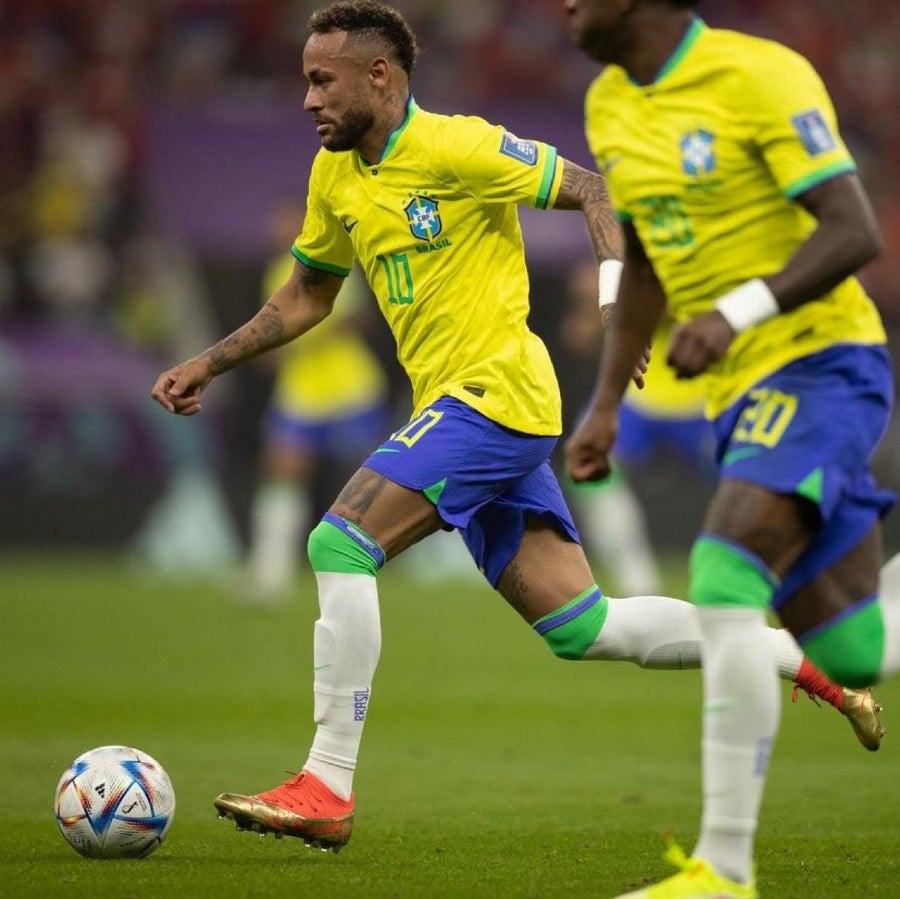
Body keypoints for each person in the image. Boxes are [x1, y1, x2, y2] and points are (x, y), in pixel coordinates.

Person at [151, 0, 883, 857]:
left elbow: (594, 188)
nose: (308, 98)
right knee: (585, 627)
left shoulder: (459, 145)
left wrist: (617, 308)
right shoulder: (335, 176)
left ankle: (326, 782)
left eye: (322, 80)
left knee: (339, 543)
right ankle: (804, 660)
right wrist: (211, 359)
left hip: (495, 395)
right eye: (305, 80)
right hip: (456, 408)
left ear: (379, 77)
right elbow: (310, 292)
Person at [565, 2, 900, 896]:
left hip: (824, 362)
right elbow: (641, 263)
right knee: (858, 647)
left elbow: (854, 229)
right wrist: (603, 403)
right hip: (740, 391)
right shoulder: (609, 102)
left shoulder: (760, 76)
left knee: (722, 570)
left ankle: (724, 870)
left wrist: (736, 311)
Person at [244, 198, 389, 604]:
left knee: (383, 481)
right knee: (283, 472)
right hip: (300, 394)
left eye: (290, 221)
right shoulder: (276, 273)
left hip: (350, 390)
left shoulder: (332, 260)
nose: (281, 230)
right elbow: (274, 337)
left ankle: (403, 559)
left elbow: (353, 321)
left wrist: (301, 336)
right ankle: (269, 575)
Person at [560, 258, 714, 594]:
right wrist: (597, 306)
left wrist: (620, 294)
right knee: (588, 460)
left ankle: (752, 577)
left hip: (708, 395)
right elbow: (585, 326)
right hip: (639, 392)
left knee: (754, 481)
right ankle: (637, 583)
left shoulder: (712, 235)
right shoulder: (638, 227)